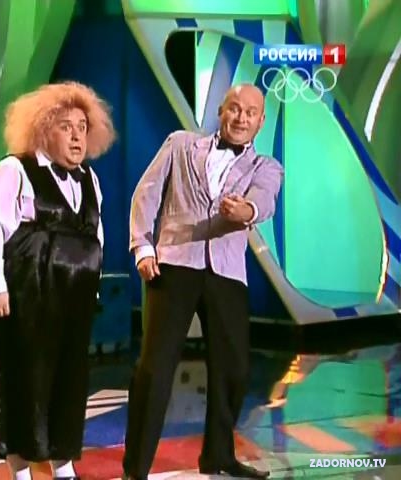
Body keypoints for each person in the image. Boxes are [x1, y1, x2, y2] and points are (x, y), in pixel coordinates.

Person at [122, 84, 283, 479]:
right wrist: (143, 246)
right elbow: (146, 194)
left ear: (261, 122)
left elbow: (264, 201)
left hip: (226, 272)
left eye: (250, 113)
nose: (241, 118)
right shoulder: (180, 144)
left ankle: (218, 456)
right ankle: (135, 469)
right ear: (221, 111)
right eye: (235, 109)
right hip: (174, 264)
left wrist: (245, 210)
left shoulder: (266, 167)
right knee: (155, 369)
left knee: (234, 368)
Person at [0, 81, 115, 480]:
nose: (76, 137)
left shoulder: (89, 179)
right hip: (26, 296)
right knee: (25, 381)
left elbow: (95, 235)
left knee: (69, 381)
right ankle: (20, 470)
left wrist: (92, 285)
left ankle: (63, 463)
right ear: (42, 130)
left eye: (82, 127)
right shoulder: (15, 170)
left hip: (73, 300)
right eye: (66, 127)